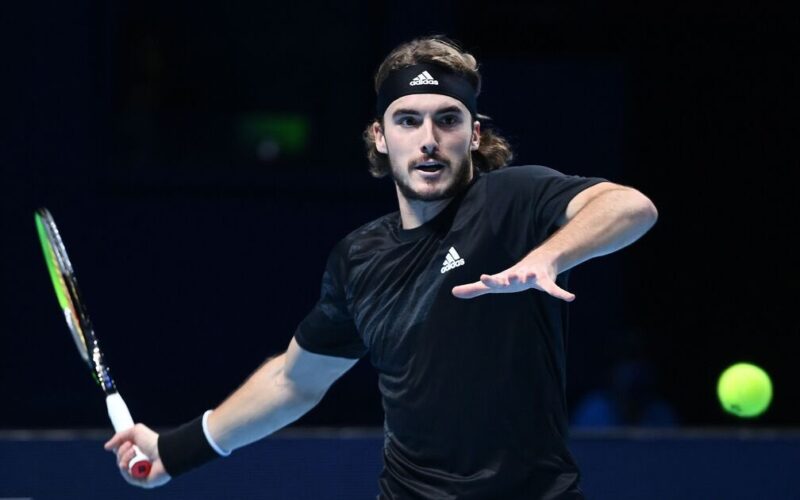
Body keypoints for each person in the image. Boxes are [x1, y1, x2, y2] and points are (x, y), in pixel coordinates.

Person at [106, 36, 658, 498]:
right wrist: (174, 452)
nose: (428, 140)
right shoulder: (359, 259)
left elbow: (629, 206)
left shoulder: (513, 200)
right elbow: (292, 381)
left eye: (447, 120)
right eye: (408, 121)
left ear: (474, 135)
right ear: (380, 135)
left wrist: (548, 256)